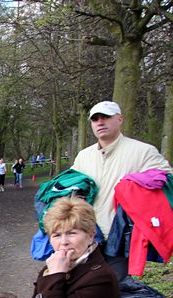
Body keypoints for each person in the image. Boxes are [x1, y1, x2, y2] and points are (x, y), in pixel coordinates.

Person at [72, 100, 173, 279]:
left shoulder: (143, 152)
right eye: (95, 119)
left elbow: (167, 181)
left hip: (119, 236)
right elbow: (73, 188)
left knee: (116, 288)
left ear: (120, 119)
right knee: (86, 287)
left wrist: (138, 185)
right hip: (87, 234)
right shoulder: (83, 156)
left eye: (106, 117)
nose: (100, 122)